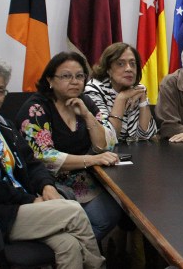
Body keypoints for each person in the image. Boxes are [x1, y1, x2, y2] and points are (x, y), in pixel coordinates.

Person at [0, 55, 104, 269]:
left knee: (68, 245)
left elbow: (32, 163)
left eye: (0, 90)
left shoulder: (4, 125)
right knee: (73, 211)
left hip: (17, 208)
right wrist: (29, 199)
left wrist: (46, 186)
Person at [16, 51, 122, 242]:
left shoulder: (86, 102)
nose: (74, 81)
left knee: (111, 214)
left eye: (79, 76)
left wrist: (87, 116)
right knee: (81, 224)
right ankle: (68, 254)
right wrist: (91, 160)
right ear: (50, 79)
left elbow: (107, 144)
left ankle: (75, 254)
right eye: (66, 76)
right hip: (47, 183)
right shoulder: (37, 108)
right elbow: (44, 156)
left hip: (83, 181)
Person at [85, 42, 157, 142]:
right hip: (101, 155)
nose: (129, 69)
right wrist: (121, 98)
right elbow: (109, 139)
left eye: (133, 64)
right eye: (120, 64)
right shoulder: (94, 90)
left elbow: (146, 135)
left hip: (132, 153)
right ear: (108, 69)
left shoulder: (137, 90)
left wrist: (143, 99)